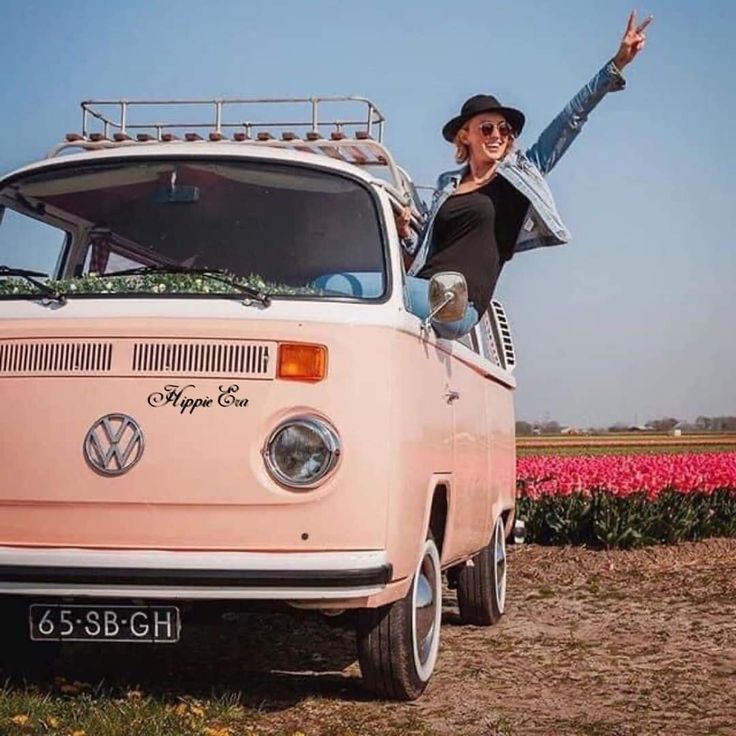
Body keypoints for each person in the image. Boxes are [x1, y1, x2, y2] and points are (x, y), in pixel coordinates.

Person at [401, 11, 653, 340]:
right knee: (331, 283)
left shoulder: (515, 180)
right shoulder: (446, 188)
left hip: (457, 302)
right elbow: (426, 250)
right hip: (422, 288)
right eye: (487, 128)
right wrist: (406, 229)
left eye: (504, 130)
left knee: (382, 287)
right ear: (465, 135)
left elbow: (571, 119)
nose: (497, 135)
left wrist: (616, 65)